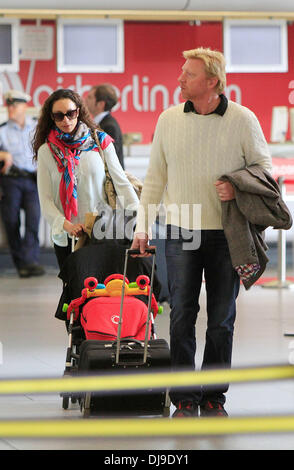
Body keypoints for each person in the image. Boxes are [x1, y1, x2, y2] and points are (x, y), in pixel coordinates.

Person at [131, 47, 272, 418]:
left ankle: (213, 395)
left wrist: (236, 186)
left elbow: (263, 170)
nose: (180, 79)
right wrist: (143, 226)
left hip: (228, 235)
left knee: (222, 318)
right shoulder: (168, 119)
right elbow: (155, 179)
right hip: (180, 232)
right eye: (182, 73)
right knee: (181, 315)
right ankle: (184, 396)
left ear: (212, 82)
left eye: (189, 75)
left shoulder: (243, 119)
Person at [33, 88, 138, 271]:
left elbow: (121, 183)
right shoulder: (46, 152)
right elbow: (46, 200)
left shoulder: (100, 142)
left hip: (101, 231)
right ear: (51, 117)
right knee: (73, 293)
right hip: (65, 235)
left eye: (70, 114)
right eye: (59, 116)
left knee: (101, 291)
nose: (66, 120)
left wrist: (140, 219)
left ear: (78, 112)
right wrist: (67, 226)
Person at [0, 90, 44, 278]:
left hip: (33, 180)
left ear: (24, 106)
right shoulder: (2, 130)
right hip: (11, 180)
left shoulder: (36, 128)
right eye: (8, 105)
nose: (11, 108)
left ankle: (30, 261)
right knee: (11, 221)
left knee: (34, 221)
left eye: (15, 105)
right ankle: (21, 263)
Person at [85, 84, 125, 168]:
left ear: (101, 104)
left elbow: (110, 159)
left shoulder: (109, 126)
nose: (85, 100)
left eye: (90, 97)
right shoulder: (100, 123)